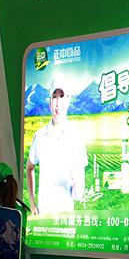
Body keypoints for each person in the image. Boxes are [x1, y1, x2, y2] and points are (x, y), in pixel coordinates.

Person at [25, 75, 87, 215]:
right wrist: (32, 204)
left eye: (62, 96)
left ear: (68, 101)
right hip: (43, 217)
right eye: (54, 97)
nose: (58, 103)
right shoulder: (40, 135)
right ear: (50, 103)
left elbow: (79, 196)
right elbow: (29, 167)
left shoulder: (76, 137)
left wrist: (76, 179)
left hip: (66, 220)